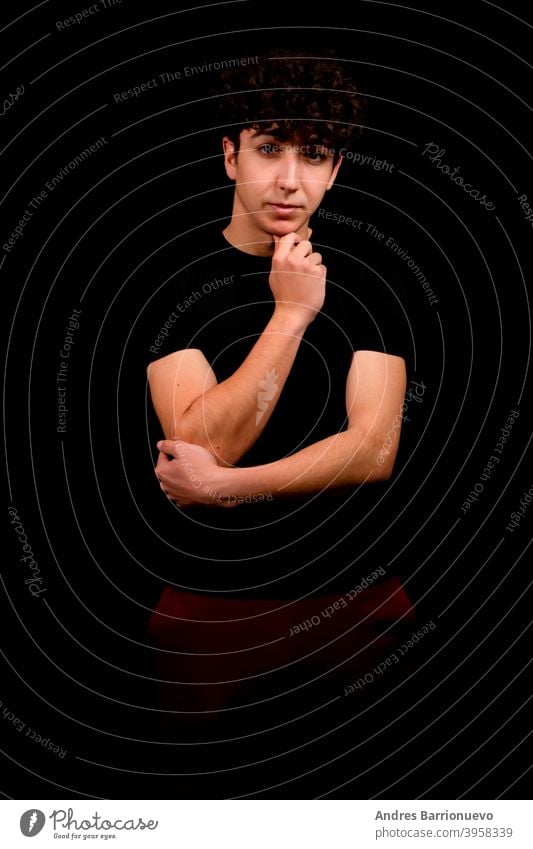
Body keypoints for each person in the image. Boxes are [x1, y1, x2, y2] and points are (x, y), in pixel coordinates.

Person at [145, 52, 416, 758]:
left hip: (355, 594)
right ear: (230, 156)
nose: (291, 179)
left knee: (384, 780)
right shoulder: (169, 279)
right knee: (191, 787)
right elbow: (210, 435)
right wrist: (291, 313)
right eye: (269, 148)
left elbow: (373, 448)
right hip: (209, 602)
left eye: (315, 155)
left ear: (336, 171)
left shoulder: (373, 278)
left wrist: (222, 488)